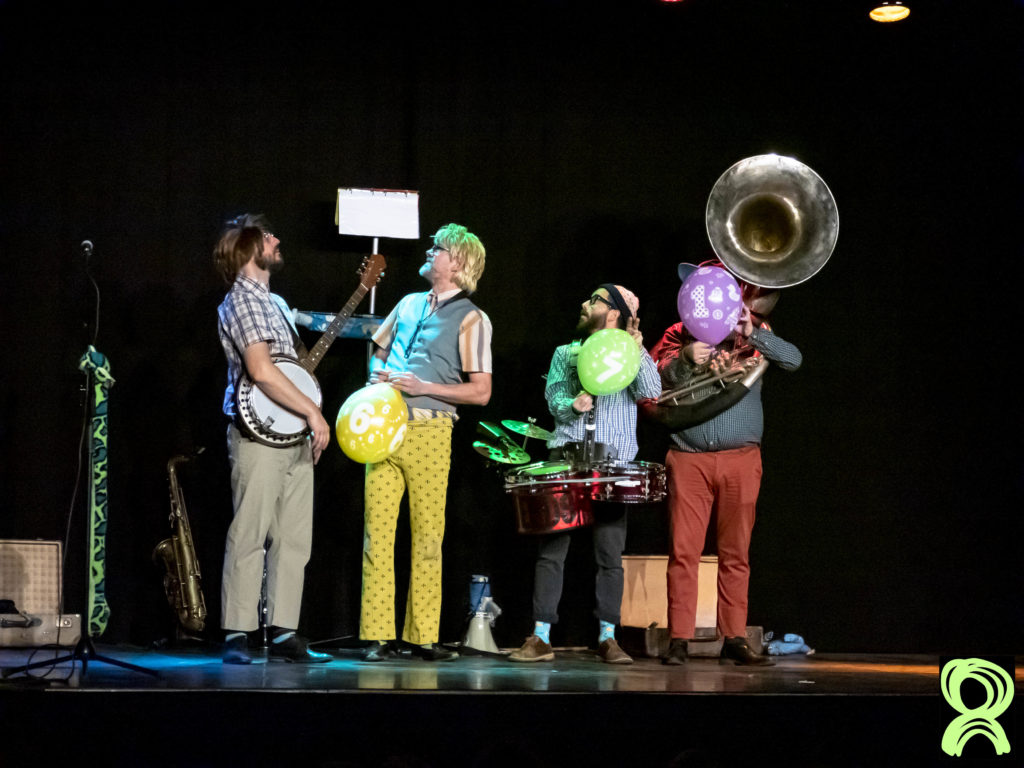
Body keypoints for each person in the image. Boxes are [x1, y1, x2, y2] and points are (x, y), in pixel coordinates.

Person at [650, 264, 801, 666]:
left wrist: (753, 334)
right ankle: (679, 639)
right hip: (688, 458)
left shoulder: (755, 333)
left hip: (741, 459)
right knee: (683, 553)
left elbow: (794, 360)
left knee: (736, 554)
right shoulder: (678, 334)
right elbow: (654, 380)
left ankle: (733, 636)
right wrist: (686, 358)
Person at [359, 223, 492, 662]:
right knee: (377, 534)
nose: (430, 252)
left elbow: (481, 392)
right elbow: (379, 352)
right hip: (384, 427)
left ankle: (422, 637)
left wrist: (423, 387)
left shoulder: (472, 318)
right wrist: (377, 376)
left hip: (430, 431)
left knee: (427, 538)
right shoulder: (407, 303)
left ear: (458, 263)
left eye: (439, 249)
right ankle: (377, 635)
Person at [509, 285, 660, 665]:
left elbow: (652, 391)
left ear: (614, 313)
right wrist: (572, 405)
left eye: (594, 300)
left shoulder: (630, 354)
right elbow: (554, 399)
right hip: (567, 459)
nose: (584, 304)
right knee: (551, 552)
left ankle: (608, 637)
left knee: (609, 554)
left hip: (612, 466)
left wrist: (639, 350)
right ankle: (541, 636)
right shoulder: (566, 353)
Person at [214, 214, 332, 664]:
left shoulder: (276, 303)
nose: (277, 240)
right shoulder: (243, 299)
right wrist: (314, 413)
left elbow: (292, 368)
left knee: (293, 537)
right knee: (250, 532)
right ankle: (237, 633)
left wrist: (305, 411)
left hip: (292, 433)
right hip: (259, 436)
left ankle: (283, 631)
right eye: (268, 237)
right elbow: (261, 371)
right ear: (248, 249)